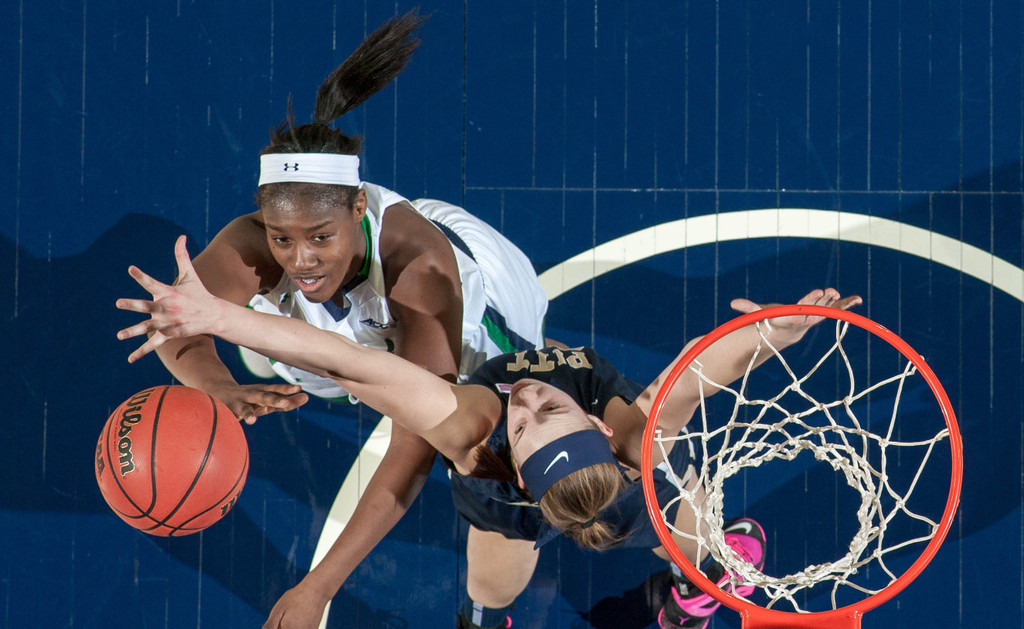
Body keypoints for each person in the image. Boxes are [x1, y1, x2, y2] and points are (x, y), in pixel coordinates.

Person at [116, 236, 863, 629]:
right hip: (516, 514)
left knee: (690, 534)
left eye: (538, 416)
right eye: (544, 414)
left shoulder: (524, 431)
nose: (533, 398)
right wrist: (777, 330)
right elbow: (706, 370)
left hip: (608, 493)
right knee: (489, 587)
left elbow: (341, 360)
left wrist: (222, 317)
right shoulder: (520, 438)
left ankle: (688, 593)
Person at [142, 10, 549, 629]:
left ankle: (493, 609)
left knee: (496, 477)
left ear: (360, 207)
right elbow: (177, 325)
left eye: (319, 238)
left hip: (479, 318)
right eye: (281, 238)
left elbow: (417, 440)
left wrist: (318, 587)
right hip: (362, 327)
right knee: (330, 359)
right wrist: (216, 386)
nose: (300, 261)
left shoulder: (422, 270)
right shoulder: (256, 243)